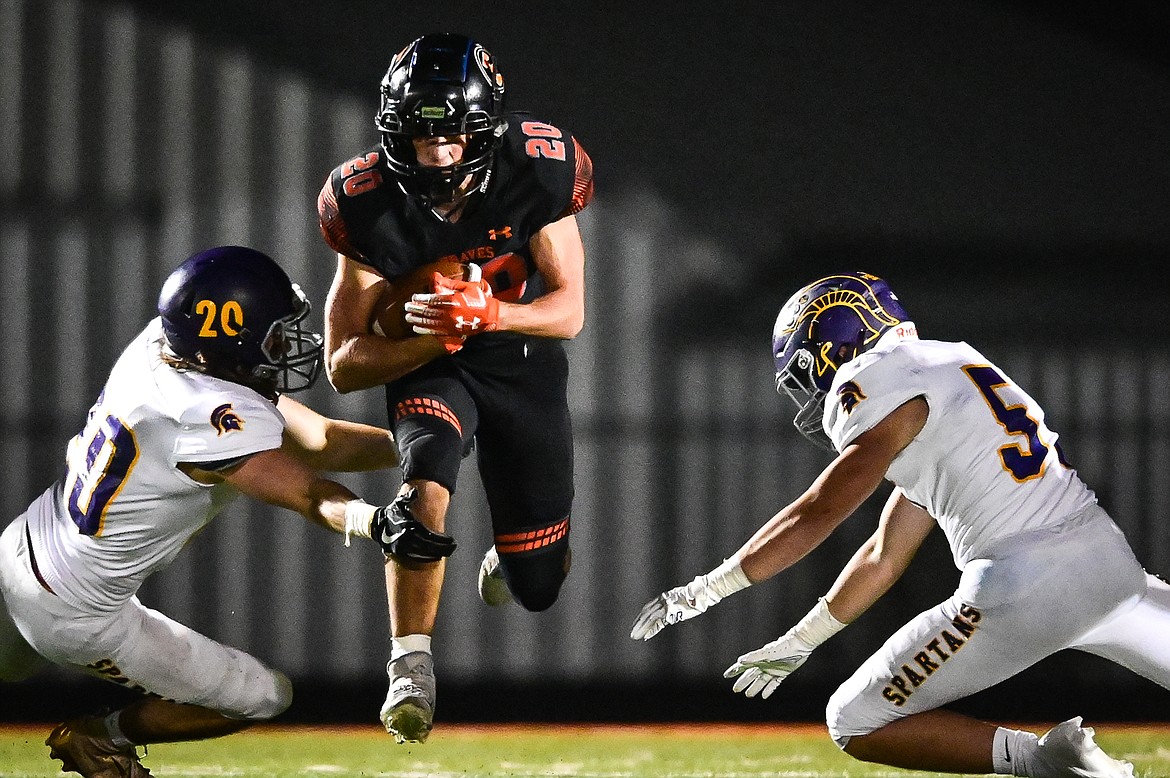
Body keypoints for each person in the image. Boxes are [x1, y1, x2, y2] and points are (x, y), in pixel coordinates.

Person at [631, 271, 1163, 777]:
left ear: (837, 347)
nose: (812, 392)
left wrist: (705, 590)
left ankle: (1047, 759)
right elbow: (884, 553)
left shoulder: (873, 378)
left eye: (805, 371)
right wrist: (802, 639)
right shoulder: (950, 365)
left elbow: (820, 509)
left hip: (1022, 584)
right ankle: (1063, 758)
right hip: (1107, 566)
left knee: (853, 720)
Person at [0, 245, 445, 778]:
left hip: (20, 548)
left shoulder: (165, 347)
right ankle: (99, 739)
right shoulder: (205, 412)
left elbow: (323, 440)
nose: (288, 346)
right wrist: (372, 520)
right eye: (275, 334)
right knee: (263, 697)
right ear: (225, 342)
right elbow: (307, 491)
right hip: (76, 612)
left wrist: (429, 442)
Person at [315, 32, 593, 744]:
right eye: (418, 136)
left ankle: (515, 553)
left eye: (452, 137)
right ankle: (410, 665)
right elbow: (344, 363)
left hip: (519, 358)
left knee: (538, 584)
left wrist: (490, 313)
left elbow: (569, 310)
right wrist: (430, 338)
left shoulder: (539, 169)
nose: (436, 155)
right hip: (429, 361)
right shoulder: (364, 201)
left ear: (488, 131)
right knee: (424, 482)